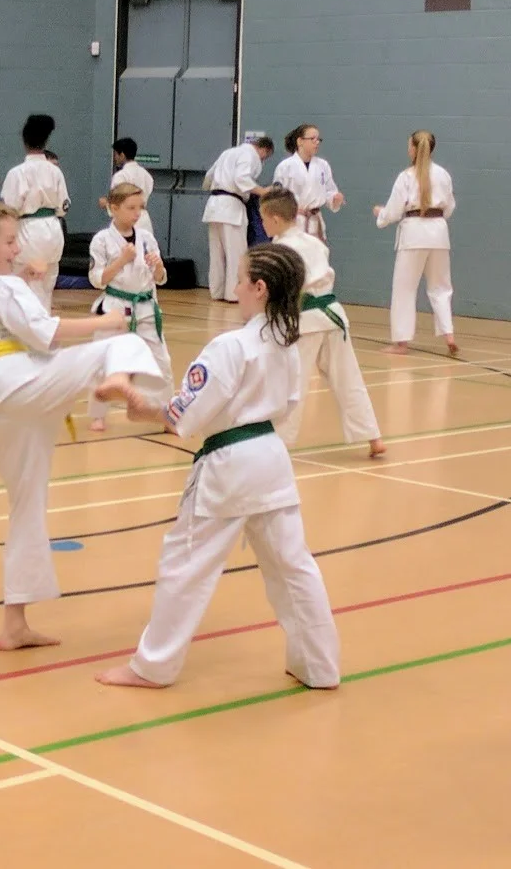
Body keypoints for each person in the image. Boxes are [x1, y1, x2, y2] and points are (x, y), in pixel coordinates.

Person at [96, 244, 341, 691]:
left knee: (185, 566)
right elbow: (286, 407)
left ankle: (152, 667)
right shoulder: (286, 341)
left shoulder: (232, 345)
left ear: (259, 288)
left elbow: (184, 416)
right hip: (270, 457)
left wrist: (140, 406)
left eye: (241, 278)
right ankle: (319, 666)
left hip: (230, 464)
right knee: (292, 568)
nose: (234, 287)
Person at [0, 199, 166, 650]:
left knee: (27, 507)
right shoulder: (1, 289)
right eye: (9, 242)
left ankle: (15, 624)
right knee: (115, 341)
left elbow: (4, 320)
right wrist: (103, 319)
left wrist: (19, 282)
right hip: (18, 382)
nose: (16, 249)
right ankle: (115, 379)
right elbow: (45, 333)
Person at [259, 187, 384, 456]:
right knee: (348, 378)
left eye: (263, 218)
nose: (262, 224)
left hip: (306, 322)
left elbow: (285, 291)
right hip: (334, 316)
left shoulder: (280, 249)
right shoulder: (315, 242)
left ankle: (280, 441)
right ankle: (373, 436)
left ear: (276, 219)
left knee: (294, 381)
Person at [87, 183, 173, 433]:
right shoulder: (102, 240)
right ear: (113, 208)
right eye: (130, 207)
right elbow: (97, 279)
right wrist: (121, 261)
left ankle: (165, 412)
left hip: (145, 307)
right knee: (104, 360)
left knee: (162, 362)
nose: (137, 213)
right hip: (115, 307)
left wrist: (157, 267)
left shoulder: (146, 237)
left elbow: (160, 278)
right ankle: (98, 414)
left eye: (140, 208)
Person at [372, 130, 458, 356]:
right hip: (439, 233)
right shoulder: (443, 174)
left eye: (408, 145)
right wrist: (434, 218)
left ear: (413, 148)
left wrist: (381, 215)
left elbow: (393, 211)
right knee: (441, 287)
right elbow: (449, 207)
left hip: (413, 235)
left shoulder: (406, 176)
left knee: (404, 289)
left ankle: (401, 342)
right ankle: (449, 334)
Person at [1, 114, 70, 311]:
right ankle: (44, 329)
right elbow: (63, 206)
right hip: (53, 229)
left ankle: (31, 332)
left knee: (25, 286)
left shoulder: (17, 173)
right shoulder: (55, 171)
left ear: (24, 142)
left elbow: (10, 207)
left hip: (28, 230)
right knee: (47, 286)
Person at [201, 136, 274, 302]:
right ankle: (233, 294)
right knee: (236, 254)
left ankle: (217, 292)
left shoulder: (228, 153)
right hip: (232, 206)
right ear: (264, 150)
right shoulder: (251, 155)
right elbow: (241, 178)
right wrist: (262, 191)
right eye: (265, 157)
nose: (262, 160)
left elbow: (208, 177)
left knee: (217, 254)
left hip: (214, 205)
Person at [272, 125, 343, 241]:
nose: (317, 142)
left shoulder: (322, 165)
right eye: (312, 139)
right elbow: (277, 196)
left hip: (314, 220)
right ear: (300, 141)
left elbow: (330, 191)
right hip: (292, 220)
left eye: (318, 139)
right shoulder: (285, 166)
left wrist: (335, 199)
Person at [100, 137, 155, 233]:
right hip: (144, 221)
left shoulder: (121, 176)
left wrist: (106, 204)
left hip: (127, 222)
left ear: (122, 155)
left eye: (116, 154)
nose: (115, 158)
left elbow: (119, 202)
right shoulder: (146, 174)